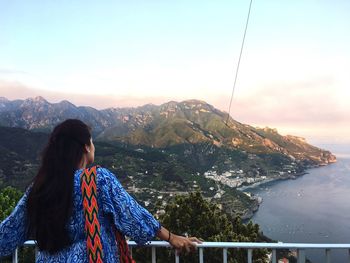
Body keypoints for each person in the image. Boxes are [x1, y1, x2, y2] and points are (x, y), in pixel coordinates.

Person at [0, 119, 201, 262]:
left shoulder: (40, 187)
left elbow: (8, 233)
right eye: (92, 141)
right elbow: (132, 215)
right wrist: (171, 237)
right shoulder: (97, 180)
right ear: (86, 147)